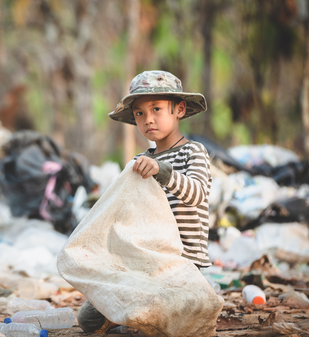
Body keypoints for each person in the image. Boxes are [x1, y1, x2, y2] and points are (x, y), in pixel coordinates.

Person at [77, 70, 212, 333]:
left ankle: (140, 323)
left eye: (157, 109)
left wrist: (161, 170)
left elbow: (197, 194)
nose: (148, 119)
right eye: (140, 113)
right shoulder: (139, 161)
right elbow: (128, 211)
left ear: (179, 109)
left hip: (182, 265)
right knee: (89, 318)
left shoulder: (193, 152)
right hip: (145, 261)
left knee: (158, 316)